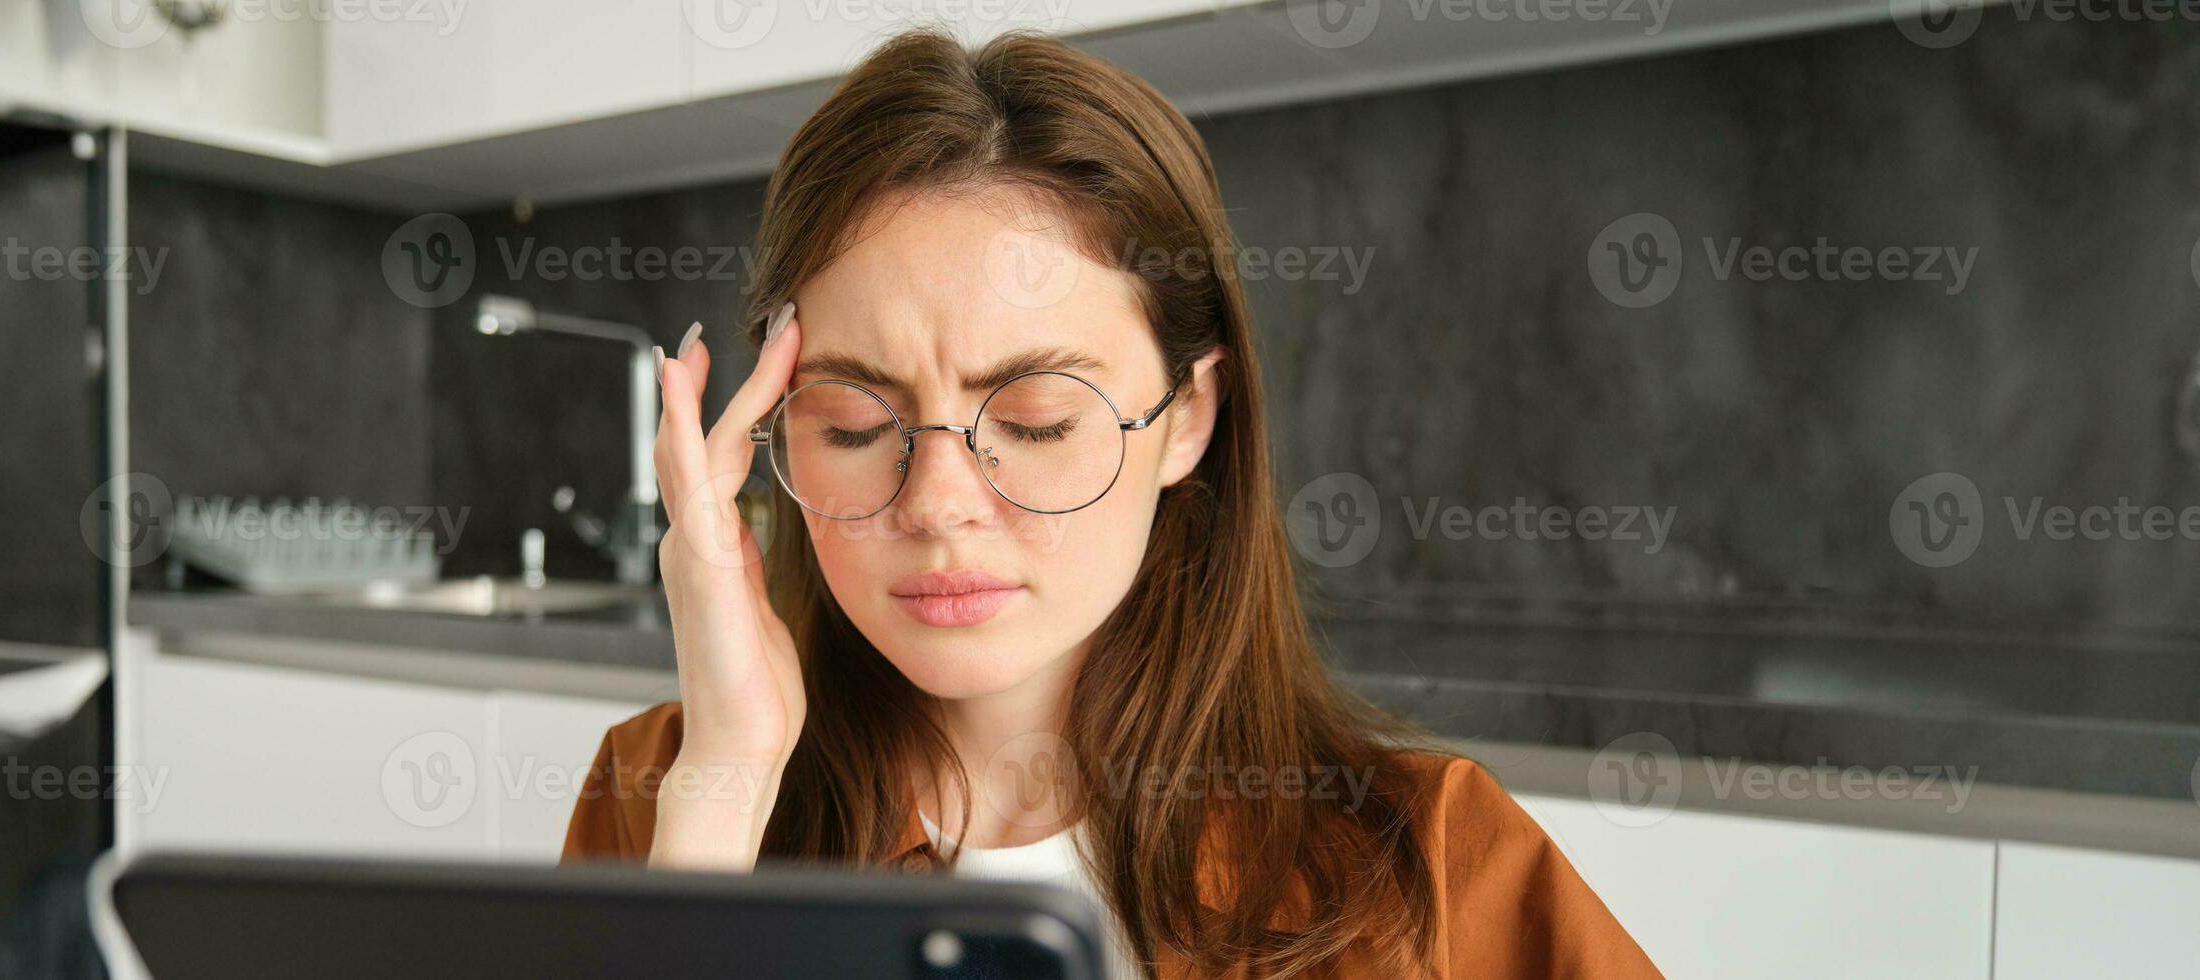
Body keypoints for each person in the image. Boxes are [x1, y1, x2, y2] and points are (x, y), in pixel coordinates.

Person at [563, 27, 1659, 979]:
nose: (939, 503)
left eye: (1037, 418)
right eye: (852, 422)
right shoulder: (661, 788)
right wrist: (725, 788)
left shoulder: (1433, 862)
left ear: (1186, 416)